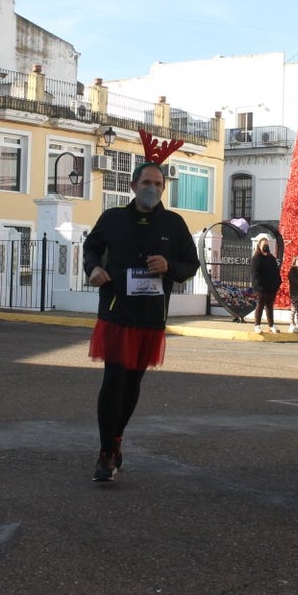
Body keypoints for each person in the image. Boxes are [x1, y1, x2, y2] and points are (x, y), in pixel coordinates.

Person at [82, 160, 201, 483]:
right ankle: (106, 454)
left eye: (159, 184)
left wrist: (169, 265)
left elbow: (191, 264)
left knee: (132, 383)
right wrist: (93, 268)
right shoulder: (113, 218)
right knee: (114, 380)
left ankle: (116, 439)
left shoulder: (174, 224)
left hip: (150, 315)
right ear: (133, 187)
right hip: (116, 310)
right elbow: (91, 248)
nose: (153, 189)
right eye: (147, 183)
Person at [249, 234, 281, 333]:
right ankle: (257, 325)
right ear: (259, 246)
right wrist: (258, 287)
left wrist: (277, 283)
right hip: (261, 287)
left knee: (270, 306)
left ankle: (271, 325)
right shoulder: (256, 258)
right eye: (264, 244)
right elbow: (255, 274)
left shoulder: (271, 258)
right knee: (260, 305)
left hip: (271, 287)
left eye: (267, 244)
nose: (265, 246)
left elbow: (276, 272)